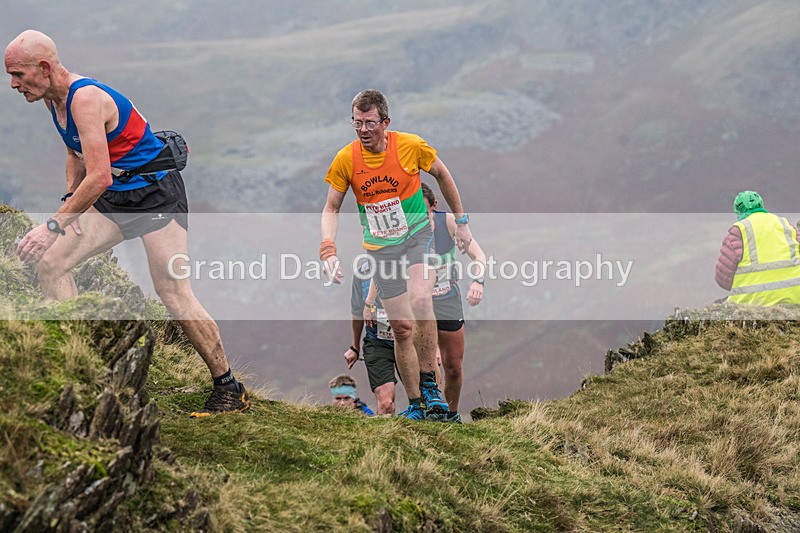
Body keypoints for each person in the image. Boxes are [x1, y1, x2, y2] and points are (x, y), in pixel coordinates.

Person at [5, 30, 249, 417]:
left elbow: (98, 176)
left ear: (45, 68)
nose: (13, 84)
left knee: (172, 291)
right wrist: (71, 203)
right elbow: (76, 155)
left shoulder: (85, 99)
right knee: (51, 264)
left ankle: (228, 388)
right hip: (116, 197)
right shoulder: (54, 101)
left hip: (155, 195)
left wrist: (53, 225)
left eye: (18, 74)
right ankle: (80, 366)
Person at [320, 89, 473, 421]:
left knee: (421, 299)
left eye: (369, 123)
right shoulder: (347, 159)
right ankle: (417, 402)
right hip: (381, 248)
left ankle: (431, 385)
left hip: (418, 235)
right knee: (402, 328)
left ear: (385, 122)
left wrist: (461, 222)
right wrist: (328, 249)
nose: (363, 130)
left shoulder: (411, 146)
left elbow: (443, 176)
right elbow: (331, 207)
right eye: (356, 123)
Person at [420, 182, 487, 423]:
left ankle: (450, 415)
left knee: (454, 367)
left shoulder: (446, 222)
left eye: (425, 212)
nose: (420, 218)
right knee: (430, 362)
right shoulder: (406, 227)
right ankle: (430, 415)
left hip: (447, 299)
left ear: (434, 206)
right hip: (419, 303)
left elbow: (479, 256)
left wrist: (478, 281)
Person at [715, 190, 800, 305]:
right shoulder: (786, 225)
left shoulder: (738, 231)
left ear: (738, 211)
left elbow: (723, 279)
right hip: (795, 297)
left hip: (754, 301)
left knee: (718, 306)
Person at [344, 259, 399, 414]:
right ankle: (387, 436)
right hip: (377, 342)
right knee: (386, 403)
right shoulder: (361, 273)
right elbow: (357, 312)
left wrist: (433, 347)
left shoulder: (407, 265)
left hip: (410, 343)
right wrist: (355, 347)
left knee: (421, 400)